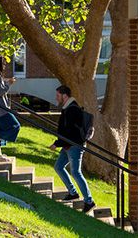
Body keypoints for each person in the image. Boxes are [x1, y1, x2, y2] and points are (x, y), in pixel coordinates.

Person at [48, 85, 96, 214]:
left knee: (76, 172)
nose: (56, 97)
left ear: (65, 96)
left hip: (74, 145)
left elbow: (70, 132)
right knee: (58, 167)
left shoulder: (72, 110)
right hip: (68, 145)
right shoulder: (68, 108)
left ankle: (89, 201)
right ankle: (73, 192)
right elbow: (66, 130)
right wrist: (59, 143)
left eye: (58, 95)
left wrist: (56, 144)